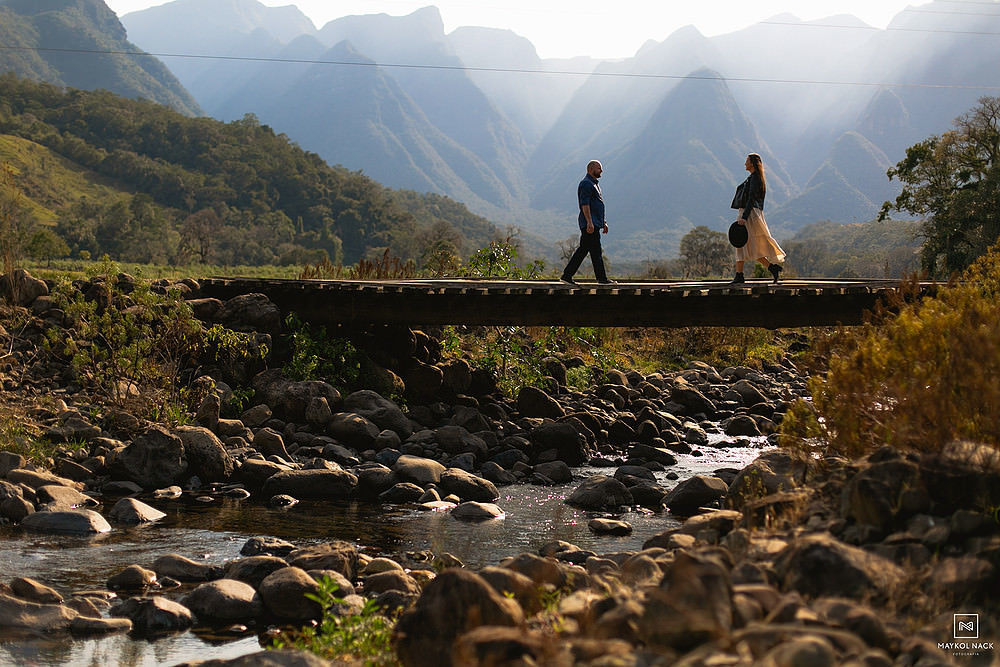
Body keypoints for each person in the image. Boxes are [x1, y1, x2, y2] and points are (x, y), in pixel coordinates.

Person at [732, 153, 785, 283]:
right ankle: (772, 268)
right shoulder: (753, 178)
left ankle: (739, 276)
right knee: (751, 245)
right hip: (750, 212)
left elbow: (751, 199)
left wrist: (744, 217)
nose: (745, 163)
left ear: (752, 163)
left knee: (740, 242)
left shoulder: (755, 178)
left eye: (747, 160)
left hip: (748, 213)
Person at [561, 160, 615, 285]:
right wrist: (589, 222)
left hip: (595, 223)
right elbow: (584, 204)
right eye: (599, 168)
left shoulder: (595, 184)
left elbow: (597, 206)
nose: (601, 171)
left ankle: (567, 275)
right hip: (590, 224)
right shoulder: (586, 184)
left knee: (584, 250)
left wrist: (603, 222)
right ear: (591, 169)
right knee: (595, 251)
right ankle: (601, 279)